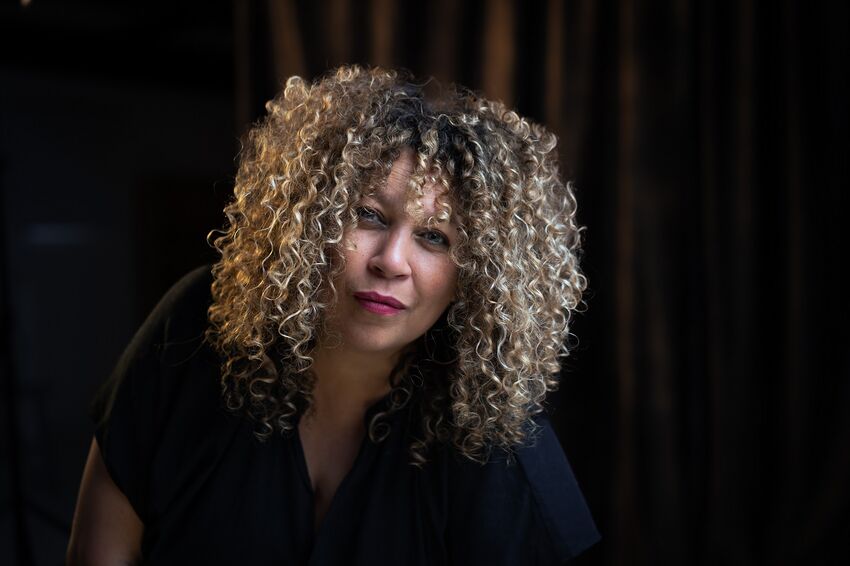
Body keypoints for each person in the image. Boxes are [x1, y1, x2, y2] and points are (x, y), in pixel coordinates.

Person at [66, 65, 599, 565]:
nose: (391, 261)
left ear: (477, 277)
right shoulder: (194, 327)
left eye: (434, 238)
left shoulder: (494, 428)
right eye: (368, 215)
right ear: (310, 217)